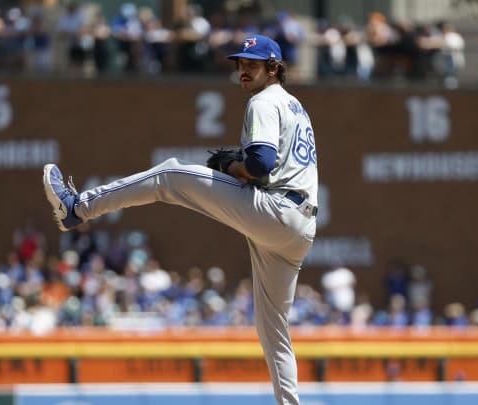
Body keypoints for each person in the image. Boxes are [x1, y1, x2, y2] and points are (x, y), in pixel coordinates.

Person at [42, 34, 318, 405]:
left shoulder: (264, 102)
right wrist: (240, 165)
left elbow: (259, 165)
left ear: (273, 68)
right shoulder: (295, 105)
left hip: (275, 211)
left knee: (169, 174)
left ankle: (76, 208)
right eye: (240, 64)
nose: (243, 71)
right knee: (273, 329)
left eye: (252, 65)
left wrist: (234, 165)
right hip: (300, 228)